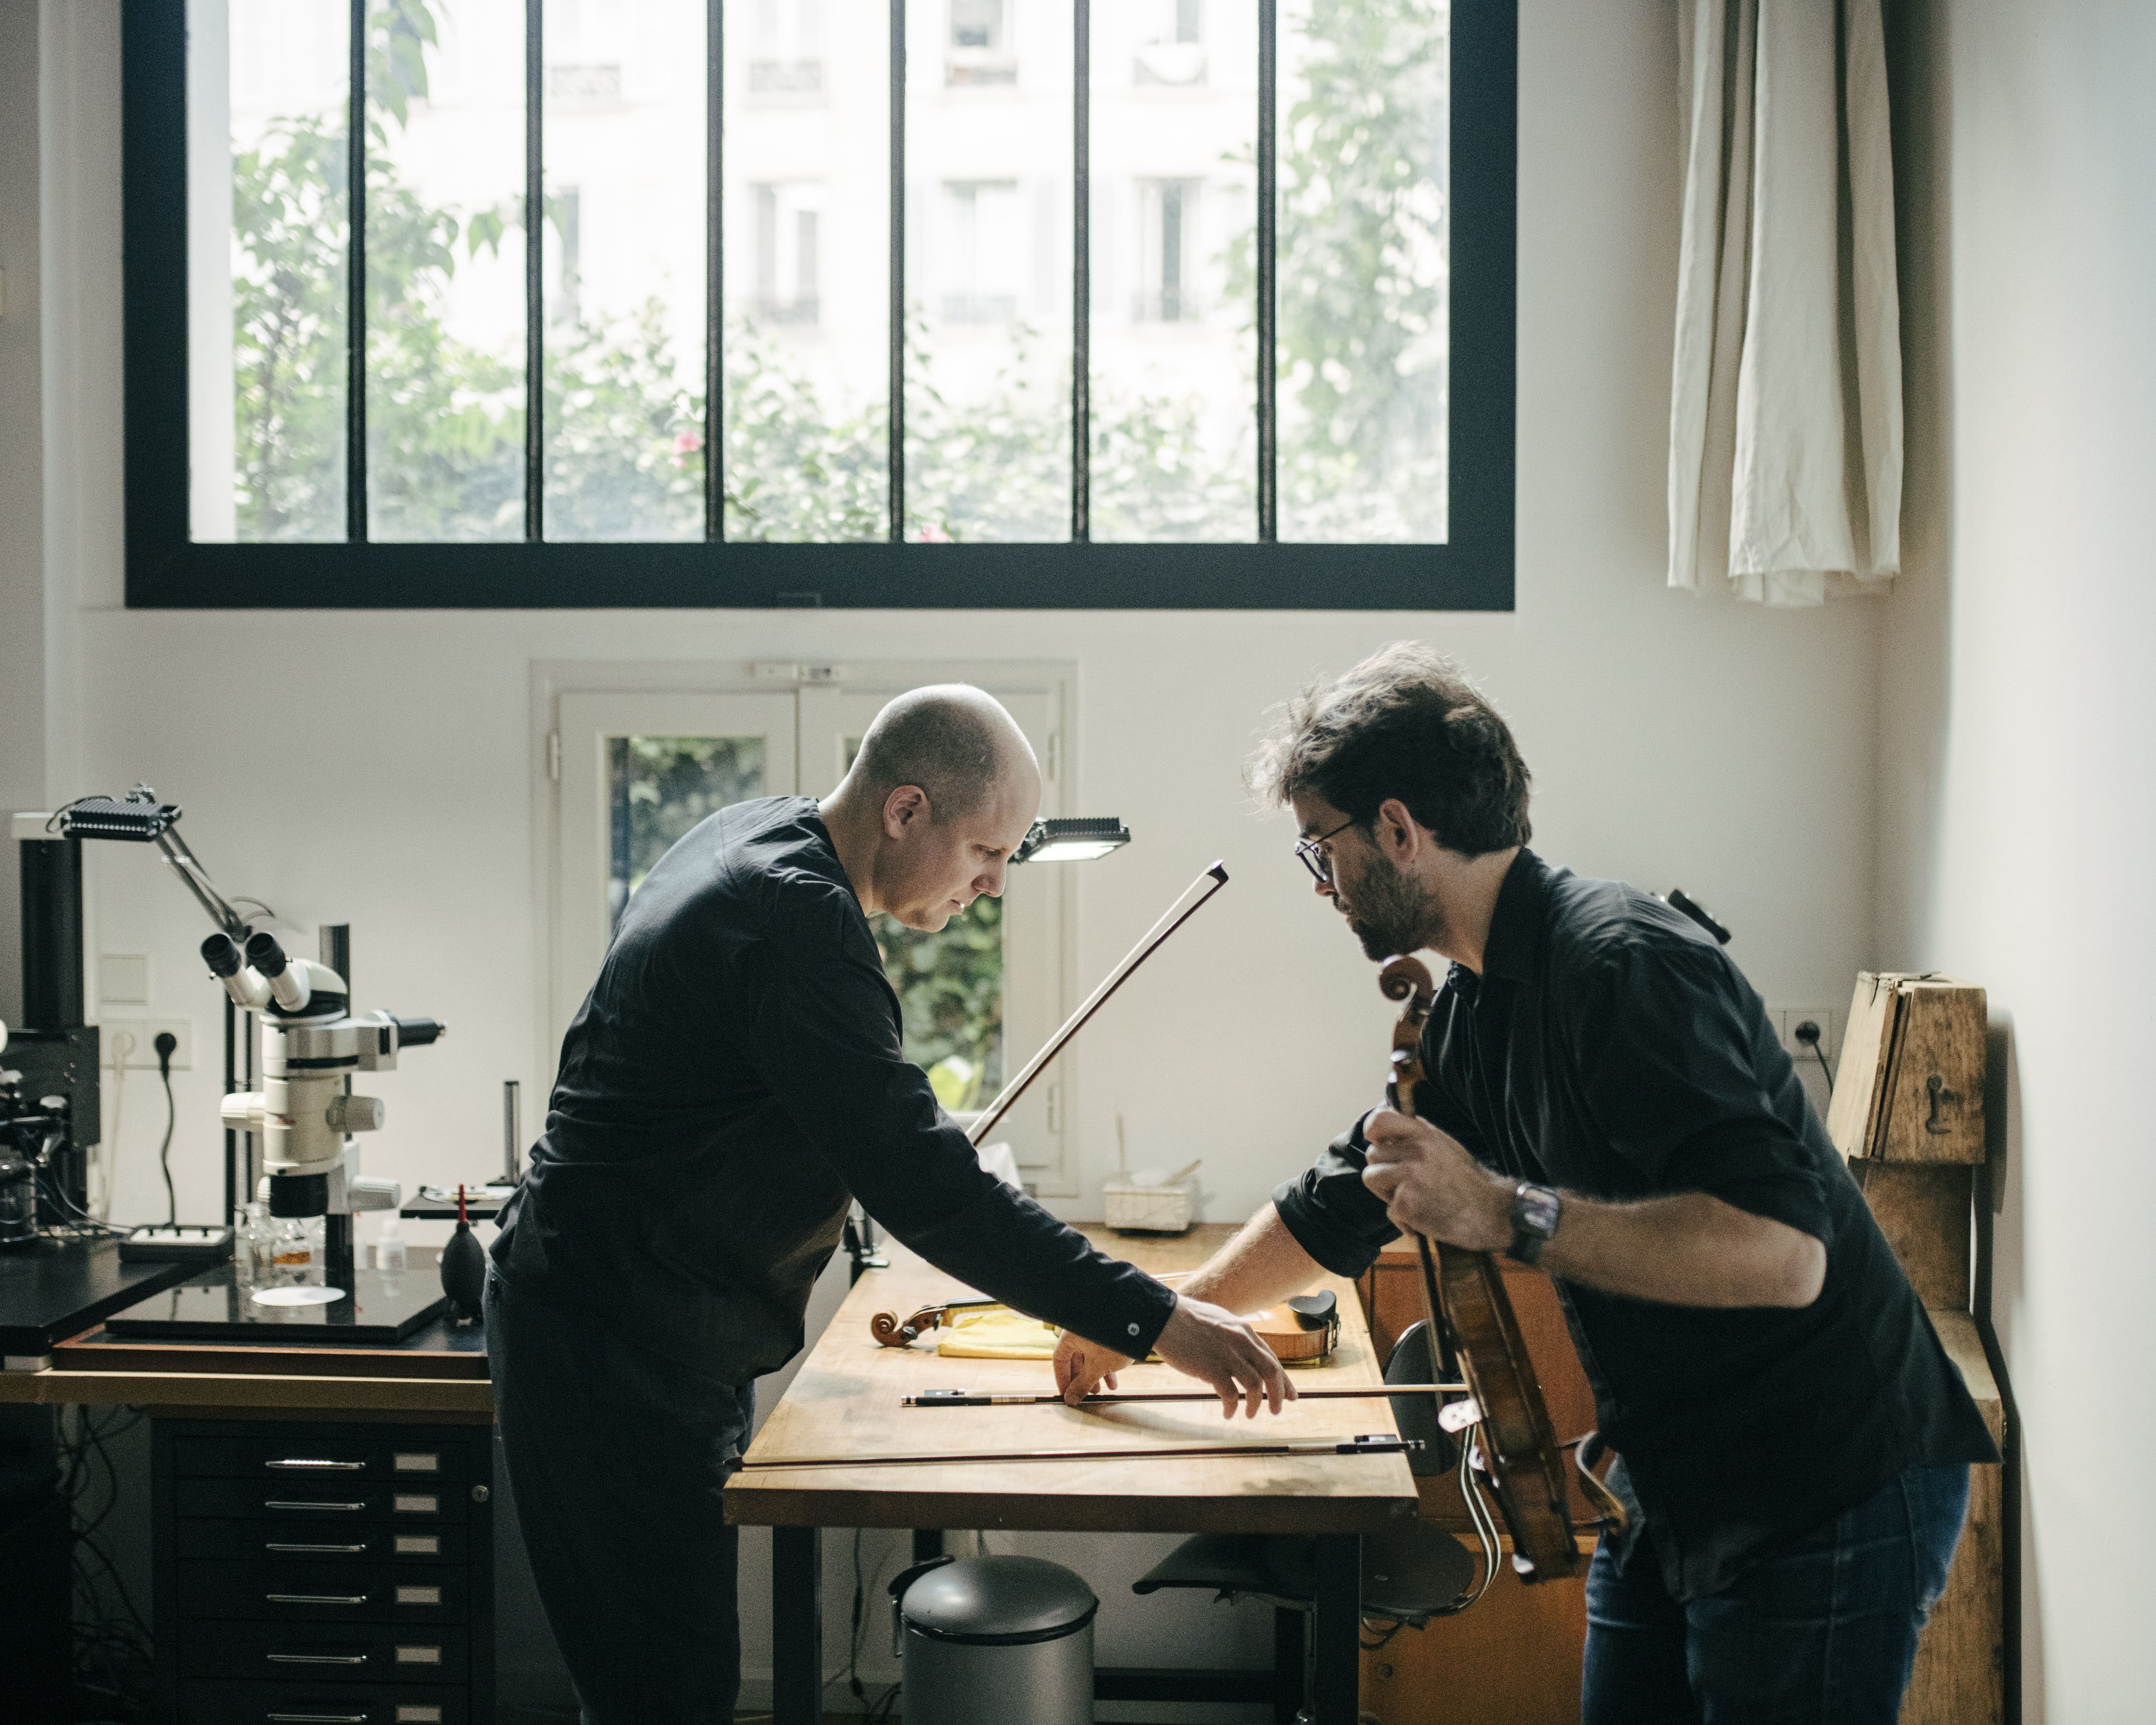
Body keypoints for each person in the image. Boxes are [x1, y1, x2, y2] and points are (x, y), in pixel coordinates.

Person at [1055, 644, 1998, 1725]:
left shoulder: (1624, 966)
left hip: (1826, 1482)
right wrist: (1166, 1319)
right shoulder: (1478, 1004)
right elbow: (1344, 1195)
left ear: (1399, 829)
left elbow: (1783, 1257)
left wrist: (1503, 1212)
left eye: (1323, 850)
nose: (1323, 886)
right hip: (1670, 1481)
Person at [488, 685, 1291, 1725]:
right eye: (987, 855)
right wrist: (1158, 1320)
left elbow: (809, 1119)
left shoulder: (761, 839)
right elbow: (922, 1183)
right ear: (906, 811)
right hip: (612, 1347)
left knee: (666, 1685)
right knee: (664, 1698)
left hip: (641, 1328)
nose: (996, 887)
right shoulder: (792, 923)